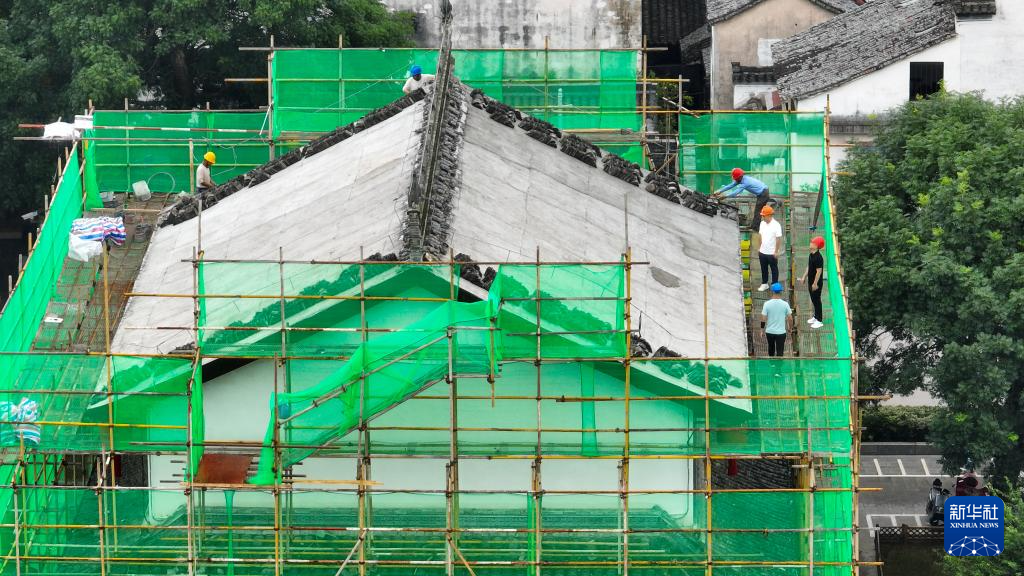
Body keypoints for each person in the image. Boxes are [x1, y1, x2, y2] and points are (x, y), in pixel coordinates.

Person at [799, 236, 825, 329]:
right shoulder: (811, 254)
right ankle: (815, 317)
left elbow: (819, 271)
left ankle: (819, 321)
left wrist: (815, 283)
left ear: (817, 246)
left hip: (816, 283)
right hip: (810, 281)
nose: (810, 244)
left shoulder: (818, 257)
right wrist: (804, 277)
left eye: (813, 243)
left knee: (817, 300)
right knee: (813, 299)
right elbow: (809, 267)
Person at [761, 283, 792, 357]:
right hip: (781, 332)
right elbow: (790, 318)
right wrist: (790, 328)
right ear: (781, 291)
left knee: (771, 350)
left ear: (772, 291)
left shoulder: (767, 304)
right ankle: (779, 364)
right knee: (780, 352)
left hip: (769, 331)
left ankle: (771, 363)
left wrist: (762, 330)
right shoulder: (785, 304)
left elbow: (763, 318)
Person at [757, 205, 782, 291]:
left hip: (772, 252)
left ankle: (774, 285)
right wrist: (759, 248)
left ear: (769, 215)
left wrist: (776, 251)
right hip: (763, 251)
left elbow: (778, 239)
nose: (762, 217)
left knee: (774, 268)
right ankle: (764, 283)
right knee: (763, 268)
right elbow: (760, 236)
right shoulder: (762, 223)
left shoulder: (776, 225)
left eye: (764, 216)